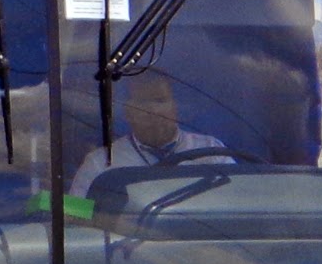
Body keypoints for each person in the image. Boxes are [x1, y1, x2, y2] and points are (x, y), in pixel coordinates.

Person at [69, 73, 226, 197]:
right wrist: (109, 220)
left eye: (160, 101)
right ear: (127, 111)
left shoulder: (212, 151)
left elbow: (239, 199)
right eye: (142, 102)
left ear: (175, 107)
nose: (153, 111)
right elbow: (72, 208)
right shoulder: (100, 162)